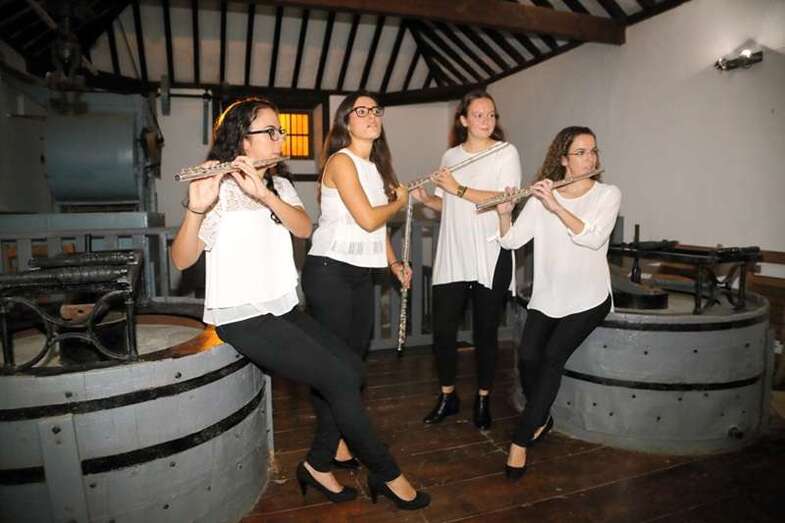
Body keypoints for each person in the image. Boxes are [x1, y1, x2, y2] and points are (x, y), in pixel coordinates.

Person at [171, 97, 429, 509]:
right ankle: (386, 472)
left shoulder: (281, 185)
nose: (280, 138)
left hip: (284, 309)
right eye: (270, 131)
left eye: (281, 131)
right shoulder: (217, 188)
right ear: (243, 140)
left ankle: (317, 464)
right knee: (340, 378)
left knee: (352, 370)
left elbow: (304, 228)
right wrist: (196, 210)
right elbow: (182, 259)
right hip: (244, 317)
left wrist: (265, 194)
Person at [495, 126, 621, 480]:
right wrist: (504, 212)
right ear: (563, 159)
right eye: (581, 152)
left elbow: (593, 238)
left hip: (588, 297)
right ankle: (541, 417)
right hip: (548, 295)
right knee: (528, 357)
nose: (590, 158)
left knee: (552, 357)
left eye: (593, 151)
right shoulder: (541, 198)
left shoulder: (607, 194)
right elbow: (511, 241)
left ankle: (520, 440)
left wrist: (556, 206)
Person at [302, 91, 411, 468]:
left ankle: (334, 442)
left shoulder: (376, 169)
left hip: (361, 273)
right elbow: (368, 218)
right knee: (335, 367)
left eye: (375, 110)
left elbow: (376, 230)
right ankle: (330, 448)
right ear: (346, 121)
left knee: (352, 364)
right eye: (361, 111)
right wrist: (400, 202)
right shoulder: (341, 161)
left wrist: (394, 263)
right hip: (329, 270)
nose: (371, 116)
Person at [413, 89, 521, 430]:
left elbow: (504, 199)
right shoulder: (451, 156)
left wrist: (457, 187)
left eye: (491, 114)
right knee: (443, 331)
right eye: (478, 115)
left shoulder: (506, 152)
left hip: (491, 251)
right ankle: (448, 396)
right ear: (463, 120)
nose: (486, 120)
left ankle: (483, 398)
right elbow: (448, 204)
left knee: (485, 332)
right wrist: (426, 199)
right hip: (454, 252)